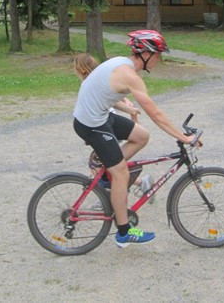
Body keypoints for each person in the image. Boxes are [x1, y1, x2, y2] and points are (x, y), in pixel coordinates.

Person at [73, 30, 199, 248]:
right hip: (90, 124)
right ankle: (124, 233)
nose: (159, 59)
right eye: (158, 55)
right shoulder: (130, 75)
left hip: (100, 116)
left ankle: (107, 173)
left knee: (142, 135)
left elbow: (102, 91)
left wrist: (127, 108)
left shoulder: (122, 64)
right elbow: (155, 113)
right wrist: (184, 138)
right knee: (121, 173)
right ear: (146, 54)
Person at [73, 53, 153, 199]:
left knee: (99, 164)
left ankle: (113, 194)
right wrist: (129, 108)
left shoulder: (90, 83)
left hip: (105, 127)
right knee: (108, 163)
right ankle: (133, 185)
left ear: (80, 70)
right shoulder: (100, 80)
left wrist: (128, 108)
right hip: (105, 126)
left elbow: (110, 103)